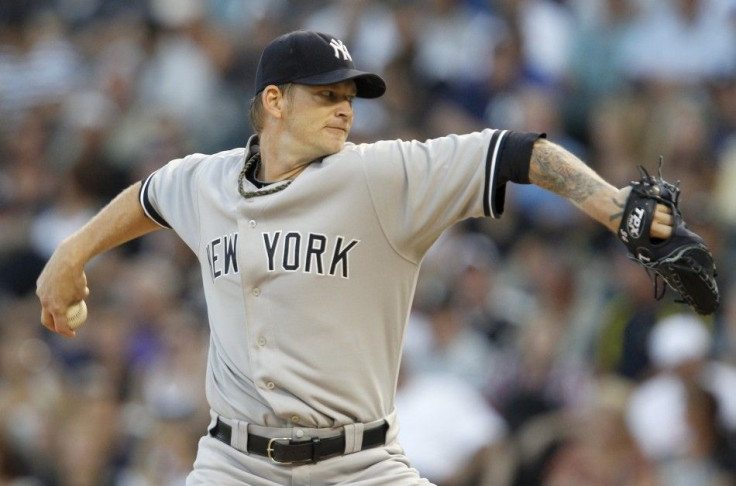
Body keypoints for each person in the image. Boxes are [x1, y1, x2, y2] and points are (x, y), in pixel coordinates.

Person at [35, 30, 674, 485]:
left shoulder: (382, 176)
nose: (345, 106)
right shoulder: (206, 180)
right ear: (274, 102)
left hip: (359, 465)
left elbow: (513, 151)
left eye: (350, 93)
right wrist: (72, 252)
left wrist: (614, 206)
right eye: (325, 94)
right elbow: (148, 197)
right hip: (234, 464)